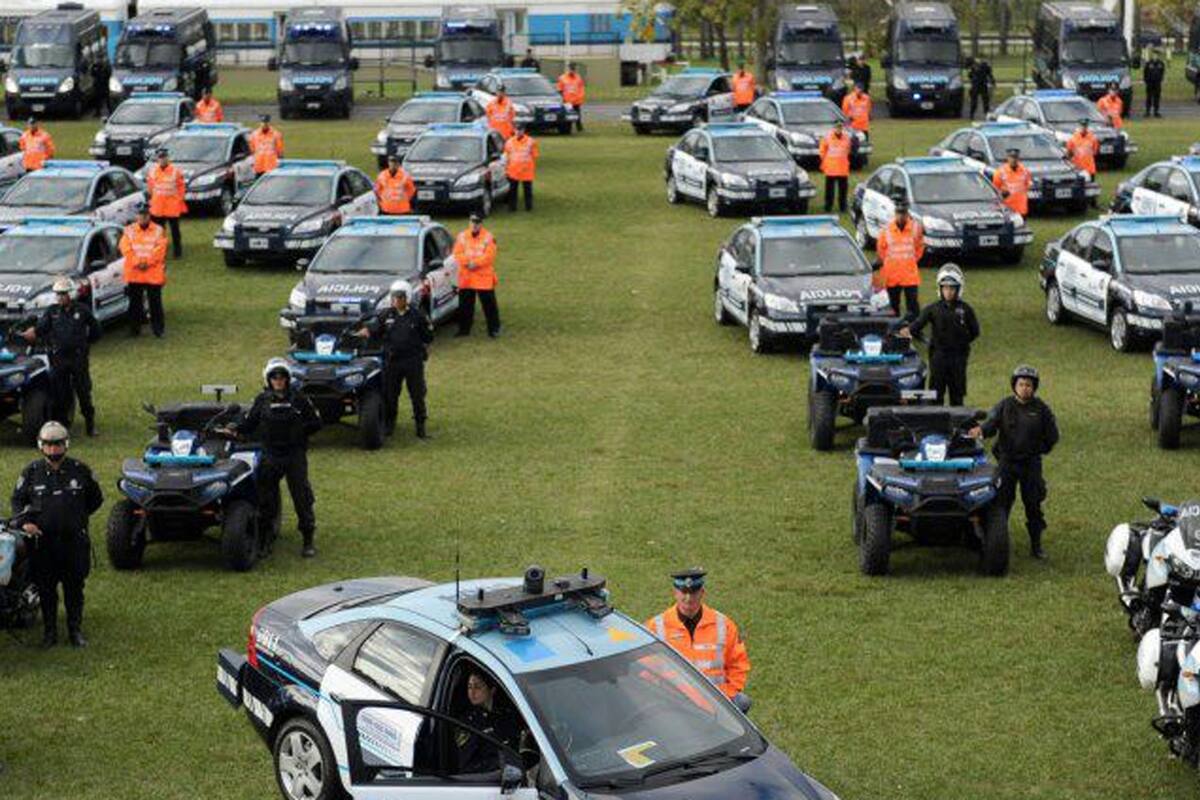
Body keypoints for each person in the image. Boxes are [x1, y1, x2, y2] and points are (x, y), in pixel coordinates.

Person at [12, 421, 103, 648]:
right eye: (49, 445)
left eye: (58, 444)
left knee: (74, 589)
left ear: (66, 445)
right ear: (41, 446)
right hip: (44, 545)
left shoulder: (80, 470)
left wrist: (75, 518)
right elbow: (17, 503)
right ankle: (49, 634)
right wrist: (26, 524)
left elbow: (95, 500)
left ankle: (75, 631)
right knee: (46, 590)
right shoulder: (31, 473)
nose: (54, 450)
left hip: (74, 543)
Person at [229, 359, 321, 557]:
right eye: (274, 377)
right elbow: (249, 424)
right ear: (268, 379)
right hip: (271, 454)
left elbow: (315, 422)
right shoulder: (262, 400)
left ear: (288, 379)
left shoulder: (299, 399)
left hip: (294, 455)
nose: (278, 381)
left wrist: (299, 434)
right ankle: (264, 540)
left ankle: (308, 540)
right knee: (265, 500)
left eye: (282, 377)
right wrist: (234, 428)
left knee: (302, 497)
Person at [971, 365, 1060, 559]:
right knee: (1001, 505)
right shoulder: (1004, 405)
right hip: (1007, 464)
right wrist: (980, 431)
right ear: (1014, 386)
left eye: (1029, 385)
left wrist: (1037, 450)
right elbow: (990, 424)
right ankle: (995, 543)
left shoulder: (1042, 409)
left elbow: (1052, 436)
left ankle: (1036, 546)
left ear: (1034, 387)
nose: (1025, 388)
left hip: (1031, 465)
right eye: (1021, 384)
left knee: (1033, 505)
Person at [645, 568, 752, 711]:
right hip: (673, 706)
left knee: (742, 702)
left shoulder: (723, 625)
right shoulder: (656, 627)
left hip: (716, 705)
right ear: (675, 593)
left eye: (693, 593)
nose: (688, 599)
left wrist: (728, 695)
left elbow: (738, 664)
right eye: (684, 592)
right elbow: (644, 671)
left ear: (702, 593)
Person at [20, 279, 100, 436]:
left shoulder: (82, 310)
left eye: (63, 294)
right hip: (59, 359)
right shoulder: (52, 312)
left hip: (78, 359)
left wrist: (85, 345)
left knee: (83, 391)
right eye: (58, 294)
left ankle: (90, 424)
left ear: (71, 294)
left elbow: (96, 330)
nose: (60, 297)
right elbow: (41, 329)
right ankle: (61, 426)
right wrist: (30, 333)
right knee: (59, 394)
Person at [356, 280, 432, 438]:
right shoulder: (386, 315)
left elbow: (428, 336)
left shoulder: (418, 316)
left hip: (413, 362)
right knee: (390, 395)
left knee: (417, 394)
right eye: (394, 297)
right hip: (392, 362)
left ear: (407, 298)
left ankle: (420, 426)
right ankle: (389, 425)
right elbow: (374, 329)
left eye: (399, 297)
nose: (396, 301)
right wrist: (366, 331)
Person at [902, 265, 979, 406]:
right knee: (936, 393)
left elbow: (975, 331)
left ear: (958, 289)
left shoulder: (966, 309)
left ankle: (958, 424)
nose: (948, 292)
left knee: (957, 394)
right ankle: (937, 424)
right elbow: (916, 325)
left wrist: (961, 343)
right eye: (945, 288)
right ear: (940, 289)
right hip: (938, 357)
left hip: (958, 359)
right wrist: (904, 331)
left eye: (952, 288)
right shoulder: (932, 309)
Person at [457, 670, 521, 774]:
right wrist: (499, 764)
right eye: (469, 687)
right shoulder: (467, 722)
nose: (472, 692)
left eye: (477, 687)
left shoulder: (507, 716)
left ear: (492, 690)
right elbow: (465, 766)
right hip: (486, 781)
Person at [120, 203, 168, 338]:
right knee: (135, 304)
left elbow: (161, 250)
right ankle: (134, 330)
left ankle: (158, 330)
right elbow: (125, 249)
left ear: (149, 215)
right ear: (136, 216)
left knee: (155, 304)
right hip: (135, 273)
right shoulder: (129, 231)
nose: (143, 217)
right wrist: (138, 262)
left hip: (152, 273)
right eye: (140, 215)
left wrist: (145, 262)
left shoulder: (158, 230)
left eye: (145, 215)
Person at [874, 199, 924, 319]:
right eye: (898, 213)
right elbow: (881, 250)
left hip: (909, 275)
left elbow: (920, 247)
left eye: (903, 213)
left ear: (907, 214)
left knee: (913, 305)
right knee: (893, 305)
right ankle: (894, 328)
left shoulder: (915, 228)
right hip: (892, 275)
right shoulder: (886, 230)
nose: (901, 216)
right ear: (895, 214)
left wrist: (911, 261)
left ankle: (913, 328)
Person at [454, 213, 501, 338]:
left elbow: (490, 256)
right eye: (472, 222)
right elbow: (457, 254)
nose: (474, 225)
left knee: (489, 305)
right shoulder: (462, 236)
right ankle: (464, 330)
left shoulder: (488, 237)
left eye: (477, 222)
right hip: (467, 277)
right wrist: (468, 263)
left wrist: (475, 263)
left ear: (481, 223)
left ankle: (494, 329)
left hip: (482, 277)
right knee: (465, 305)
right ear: (469, 222)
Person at [146, 148, 186, 258]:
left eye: (164, 157)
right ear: (157, 159)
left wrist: (179, 199)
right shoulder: (153, 171)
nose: (162, 159)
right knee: (158, 232)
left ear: (167, 158)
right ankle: (160, 251)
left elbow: (181, 186)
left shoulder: (175, 171)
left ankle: (177, 252)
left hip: (172, 206)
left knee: (175, 231)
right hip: (157, 207)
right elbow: (150, 187)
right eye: (160, 158)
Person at [503, 123, 538, 212]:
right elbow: (506, 156)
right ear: (514, 130)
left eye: (520, 130)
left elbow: (535, 155)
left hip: (526, 170)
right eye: (517, 130)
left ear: (524, 131)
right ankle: (512, 208)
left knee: (527, 190)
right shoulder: (509, 142)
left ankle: (528, 207)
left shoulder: (531, 141)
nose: (518, 132)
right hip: (513, 170)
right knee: (512, 190)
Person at [818, 119, 851, 213]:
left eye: (840, 127)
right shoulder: (827, 138)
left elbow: (848, 150)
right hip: (831, 168)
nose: (839, 129)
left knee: (843, 190)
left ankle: (842, 206)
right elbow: (822, 152)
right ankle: (828, 207)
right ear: (834, 128)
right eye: (837, 127)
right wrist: (826, 163)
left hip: (843, 168)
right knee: (829, 190)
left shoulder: (847, 138)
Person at [991, 148, 1032, 216]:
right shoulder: (1000, 172)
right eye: (1011, 157)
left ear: (1018, 158)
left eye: (1015, 157)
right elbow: (995, 189)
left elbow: (1028, 186)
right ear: (1007, 158)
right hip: (1007, 208)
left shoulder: (1025, 171)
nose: (1013, 160)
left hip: (1021, 208)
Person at [556, 62, 586, 132]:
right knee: (568, 116)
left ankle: (579, 127)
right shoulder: (562, 78)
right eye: (571, 69)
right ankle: (568, 129)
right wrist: (562, 99)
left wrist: (580, 97)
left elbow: (581, 88)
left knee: (577, 115)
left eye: (574, 69)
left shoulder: (578, 78)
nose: (572, 70)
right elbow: (559, 89)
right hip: (567, 101)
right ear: (568, 69)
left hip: (576, 101)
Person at [1143, 52, 1165, 118]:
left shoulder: (1161, 63)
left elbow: (1162, 72)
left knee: (1157, 98)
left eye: (1156, 55)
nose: (1155, 56)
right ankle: (1147, 112)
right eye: (1154, 55)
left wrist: (1160, 79)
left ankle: (1156, 112)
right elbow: (1145, 72)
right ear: (1152, 56)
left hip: (1157, 83)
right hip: (1150, 83)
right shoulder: (1148, 63)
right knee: (1149, 97)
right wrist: (1146, 81)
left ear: (1158, 56)